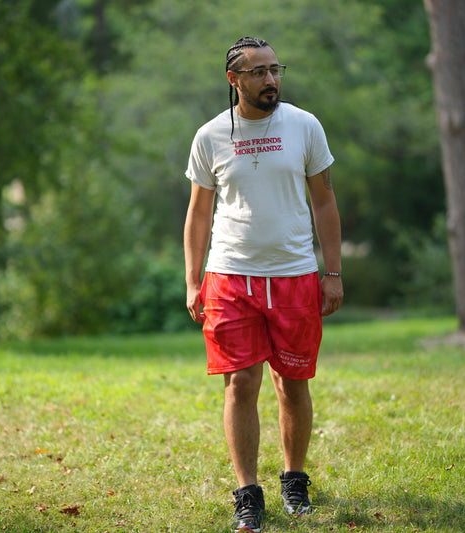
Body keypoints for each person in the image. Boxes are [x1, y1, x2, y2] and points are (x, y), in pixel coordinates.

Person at [184, 36, 343, 532]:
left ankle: (294, 481)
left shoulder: (303, 125)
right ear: (234, 80)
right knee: (241, 383)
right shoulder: (210, 136)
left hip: (294, 273)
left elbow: (324, 201)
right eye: (258, 72)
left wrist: (332, 271)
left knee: (292, 383)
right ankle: (248, 493)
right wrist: (193, 282)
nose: (271, 79)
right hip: (230, 275)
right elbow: (198, 213)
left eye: (275, 69)